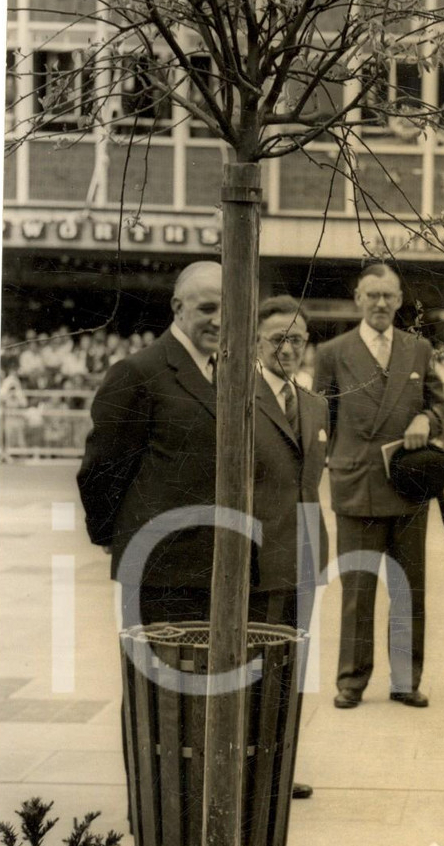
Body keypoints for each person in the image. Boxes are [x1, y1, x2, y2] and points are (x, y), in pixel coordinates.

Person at [77, 263, 328, 799]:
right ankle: (160, 799)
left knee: (212, 688)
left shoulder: (229, 372)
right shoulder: (139, 372)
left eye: (227, 308)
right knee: (161, 691)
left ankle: (204, 798)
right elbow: (101, 471)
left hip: (219, 564)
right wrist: (116, 540)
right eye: (206, 307)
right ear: (178, 308)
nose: (218, 319)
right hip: (164, 567)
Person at [314, 262, 444, 710]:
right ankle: (351, 681)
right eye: (372, 295)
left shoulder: (418, 349)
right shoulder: (333, 353)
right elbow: (321, 422)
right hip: (356, 487)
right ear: (358, 298)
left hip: (408, 485)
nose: (380, 304)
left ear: (399, 299)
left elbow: (441, 404)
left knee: (409, 588)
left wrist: (425, 420)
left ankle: (405, 680)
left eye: (389, 296)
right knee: (357, 591)